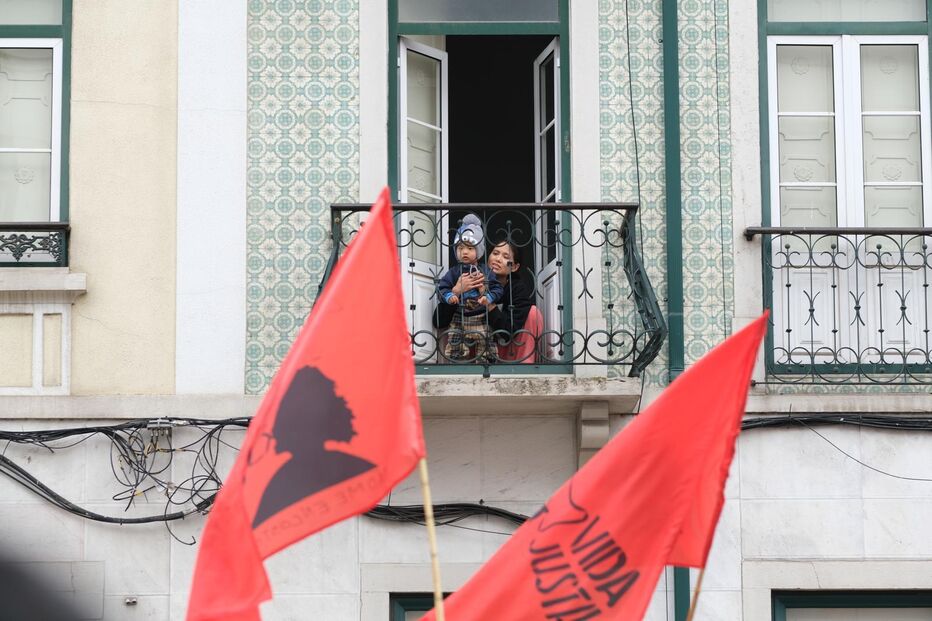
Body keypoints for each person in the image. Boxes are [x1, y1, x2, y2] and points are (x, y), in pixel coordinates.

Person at [434, 238, 533, 361]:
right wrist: (456, 292)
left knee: (533, 313)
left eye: (505, 256)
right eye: (495, 253)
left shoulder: (517, 289)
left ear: (514, 267)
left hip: (500, 348)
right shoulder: (465, 276)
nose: (498, 259)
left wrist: (487, 299)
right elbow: (438, 321)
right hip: (466, 346)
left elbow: (508, 332)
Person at [435, 214, 504, 361]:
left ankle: (488, 361)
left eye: (470, 248)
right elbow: (442, 288)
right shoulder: (454, 272)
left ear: (478, 252)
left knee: (485, 340)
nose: (465, 252)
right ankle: (456, 361)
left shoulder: (486, 271)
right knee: (456, 341)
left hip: (480, 316)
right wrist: (451, 295)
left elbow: (498, 289)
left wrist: (488, 297)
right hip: (459, 315)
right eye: (460, 248)